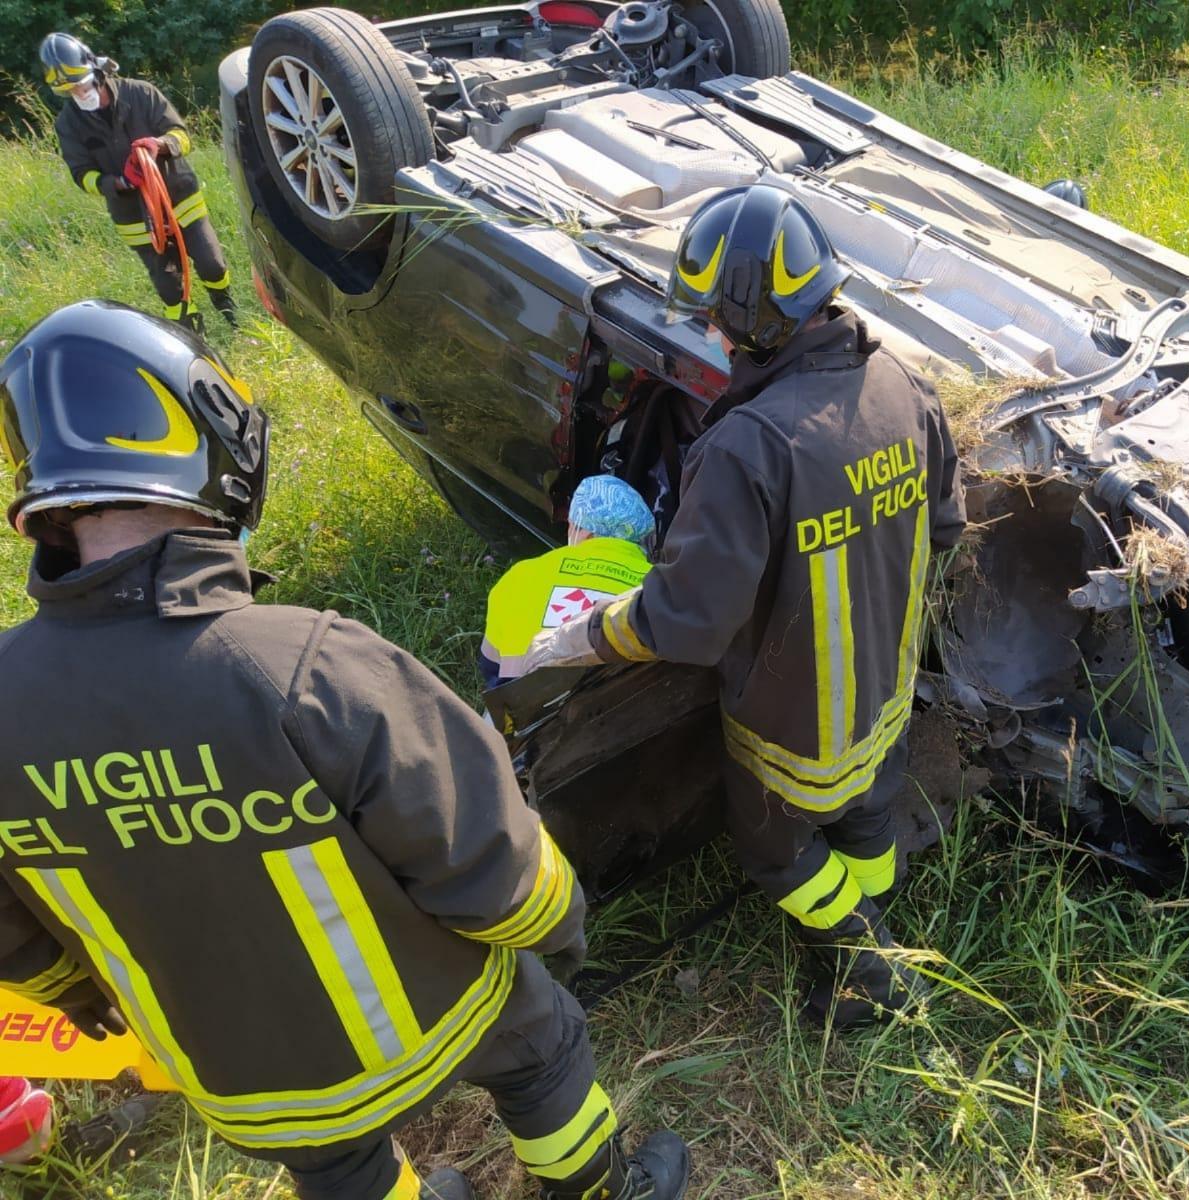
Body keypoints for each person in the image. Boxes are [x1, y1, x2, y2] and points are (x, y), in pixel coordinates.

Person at [0, 301, 688, 1200]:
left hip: (242, 1077)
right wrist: (557, 929)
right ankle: (600, 1189)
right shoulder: (303, 667)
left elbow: (16, 934)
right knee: (541, 1047)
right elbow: (483, 849)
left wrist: (78, 994)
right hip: (431, 1018)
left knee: (337, 1166)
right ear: (216, 444)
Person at [525, 185, 966, 1027]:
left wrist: (586, 633)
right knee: (869, 811)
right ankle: (875, 907)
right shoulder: (905, 386)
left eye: (715, 322)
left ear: (750, 321)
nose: (715, 338)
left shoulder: (746, 446)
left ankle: (869, 972)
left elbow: (688, 622)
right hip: (886, 696)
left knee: (777, 853)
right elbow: (945, 527)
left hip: (793, 734)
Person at [40, 34, 235, 331]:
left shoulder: (141, 94)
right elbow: (82, 175)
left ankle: (226, 306)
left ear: (96, 70)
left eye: (81, 83)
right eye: (68, 90)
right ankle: (190, 331)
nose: (78, 92)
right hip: (134, 218)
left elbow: (182, 136)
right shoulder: (68, 124)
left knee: (212, 264)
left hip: (180, 199)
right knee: (169, 287)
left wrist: (160, 145)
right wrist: (120, 182)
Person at [480, 475, 655, 690]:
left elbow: (490, 667)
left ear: (586, 531)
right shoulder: (658, 583)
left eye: (571, 525)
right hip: (632, 700)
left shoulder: (520, 575)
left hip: (530, 705)